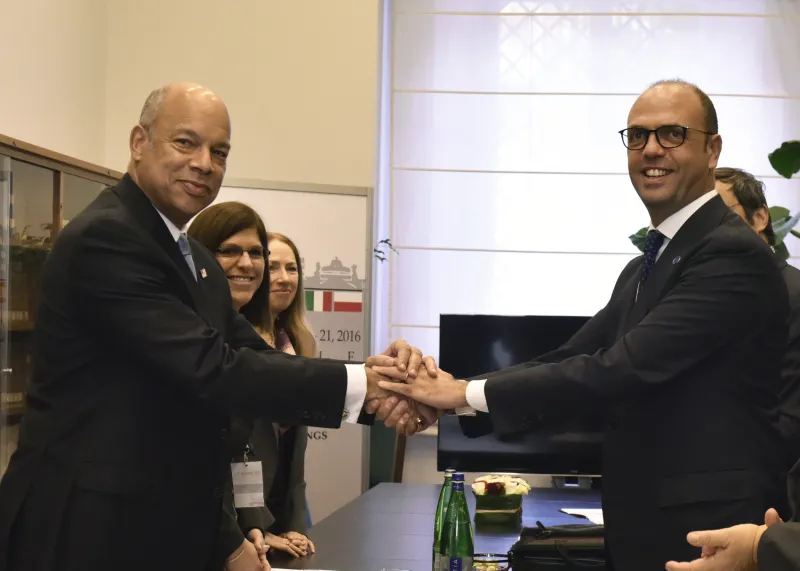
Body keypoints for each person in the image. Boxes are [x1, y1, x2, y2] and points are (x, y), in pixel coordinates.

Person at [0, 82, 434, 571]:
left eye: (220, 151)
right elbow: (214, 368)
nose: (205, 163)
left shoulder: (197, 260)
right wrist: (370, 385)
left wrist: (381, 388)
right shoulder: (108, 238)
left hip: (159, 524)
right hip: (86, 529)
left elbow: (258, 353)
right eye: (186, 142)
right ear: (139, 143)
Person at [379, 80, 791, 571]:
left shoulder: (730, 252)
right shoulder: (652, 261)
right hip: (644, 522)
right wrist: (451, 395)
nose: (651, 150)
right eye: (637, 136)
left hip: (707, 533)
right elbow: (571, 356)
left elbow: (619, 368)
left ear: (712, 149)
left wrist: (462, 394)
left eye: (672, 134)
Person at [188, 204, 318, 562]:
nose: (246, 264)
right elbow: (210, 460)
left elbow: (290, 455)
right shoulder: (195, 333)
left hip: (254, 520)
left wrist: (282, 523)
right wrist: (246, 528)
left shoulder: (285, 342)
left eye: (255, 253)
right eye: (230, 251)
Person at [714, 166, 800, 468]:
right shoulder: (704, 298)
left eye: (721, 213)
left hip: (770, 485)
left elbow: (792, 416)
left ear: (761, 217)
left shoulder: (794, 292)